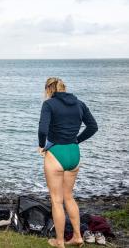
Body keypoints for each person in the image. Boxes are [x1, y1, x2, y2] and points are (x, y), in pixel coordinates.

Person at [38, 77, 98, 248]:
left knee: (56, 200)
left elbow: (43, 129)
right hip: (74, 154)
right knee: (69, 197)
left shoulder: (49, 104)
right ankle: (77, 237)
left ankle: (59, 242)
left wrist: (41, 146)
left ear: (49, 90)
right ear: (64, 88)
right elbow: (93, 126)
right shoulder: (79, 103)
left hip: (56, 153)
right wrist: (77, 140)